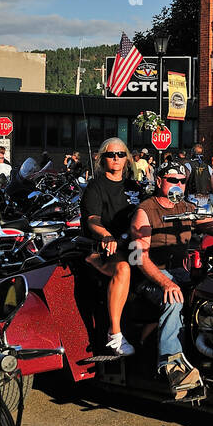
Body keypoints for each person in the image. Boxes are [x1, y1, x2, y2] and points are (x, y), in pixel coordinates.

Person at [129, 162, 213, 395]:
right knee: (175, 298)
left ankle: (211, 358)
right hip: (150, 275)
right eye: (172, 180)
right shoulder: (145, 210)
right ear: (160, 181)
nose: (178, 185)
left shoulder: (187, 207)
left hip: (179, 273)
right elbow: (138, 257)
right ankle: (171, 366)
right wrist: (166, 282)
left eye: (182, 181)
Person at [80, 139, 139, 356]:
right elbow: (92, 219)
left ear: (127, 159)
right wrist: (106, 236)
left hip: (134, 248)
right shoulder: (96, 187)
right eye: (111, 154)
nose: (116, 158)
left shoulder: (134, 187)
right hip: (105, 250)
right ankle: (114, 335)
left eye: (120, 154)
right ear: (102, 158)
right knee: (123, 268)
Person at [188, 143, 213, 208]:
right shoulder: (208, 167)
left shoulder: (188, 165)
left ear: (192, 153)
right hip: (205, 199)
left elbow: (185, 182)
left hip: (192, 198)